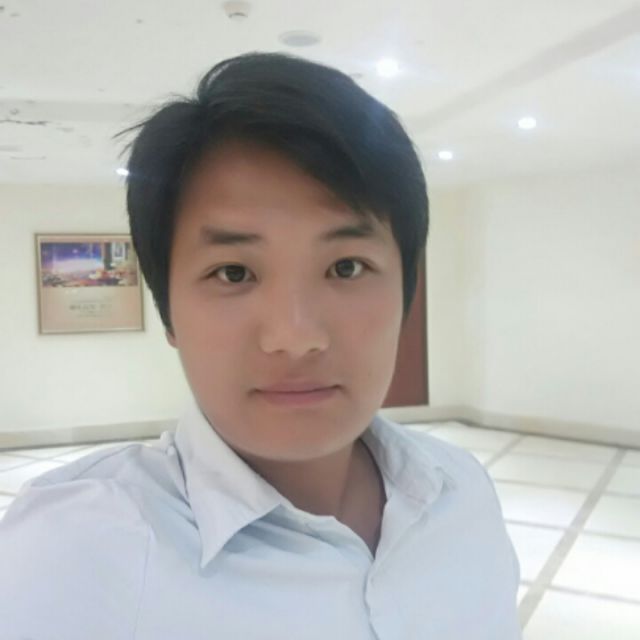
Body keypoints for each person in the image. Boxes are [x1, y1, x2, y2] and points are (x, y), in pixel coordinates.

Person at [0, 52, 522, 639]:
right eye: (233, 273)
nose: (295, 337)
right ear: (168, 310)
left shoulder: (459, 492)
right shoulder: (75, 555)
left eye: (346, 267)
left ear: (406, 292)